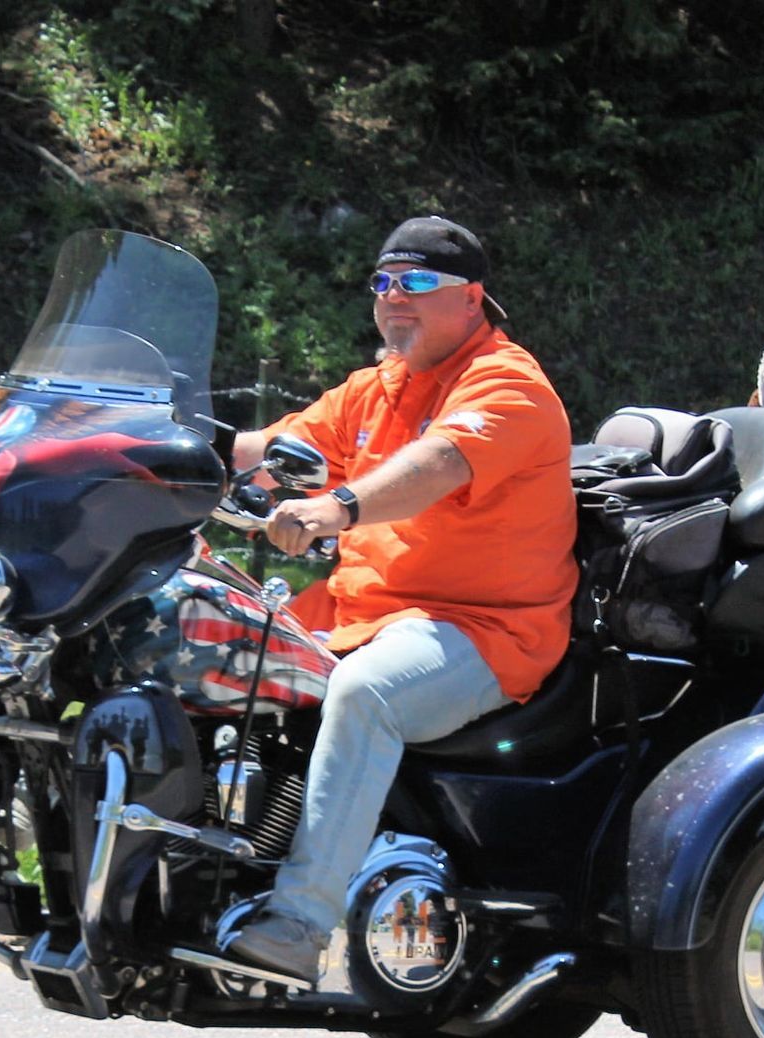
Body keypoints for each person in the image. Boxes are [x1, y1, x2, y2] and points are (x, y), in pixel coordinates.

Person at [224, 216, 578, 981]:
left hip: (483, 629)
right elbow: (276, 452)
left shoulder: (508, 383)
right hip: (363, 610)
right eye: (383, 283)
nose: (394, 300)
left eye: (416, 283)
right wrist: (158, 453)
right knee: (204, 638)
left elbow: (439, 462)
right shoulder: (377, 387)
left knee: (367, 692)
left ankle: (298, 921)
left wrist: (339, 507)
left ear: (472, 297)